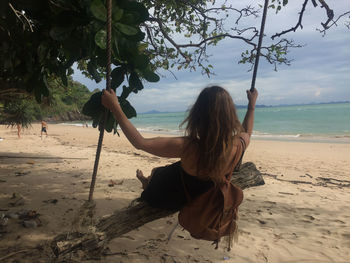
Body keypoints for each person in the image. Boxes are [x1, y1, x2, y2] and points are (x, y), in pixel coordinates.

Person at [102, 86, 257, 210]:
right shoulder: (238, 145)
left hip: (166, 199)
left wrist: (115, 106)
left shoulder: (187, 147)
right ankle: (147, 180)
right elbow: (246, 132)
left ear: (197, 115)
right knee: (163, 171)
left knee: (158, 172)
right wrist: (251, 106)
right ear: (231, 115)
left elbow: (140, 142)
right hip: (199, 195)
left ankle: (147, 183)